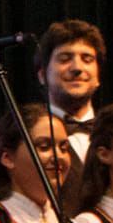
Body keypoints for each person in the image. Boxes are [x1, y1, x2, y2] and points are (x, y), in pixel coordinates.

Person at [35, 20, 106, 165]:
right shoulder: (26, 134)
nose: (77, 68)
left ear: (98, 75)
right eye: (64, 59)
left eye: (87, 60)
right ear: (42, 75)